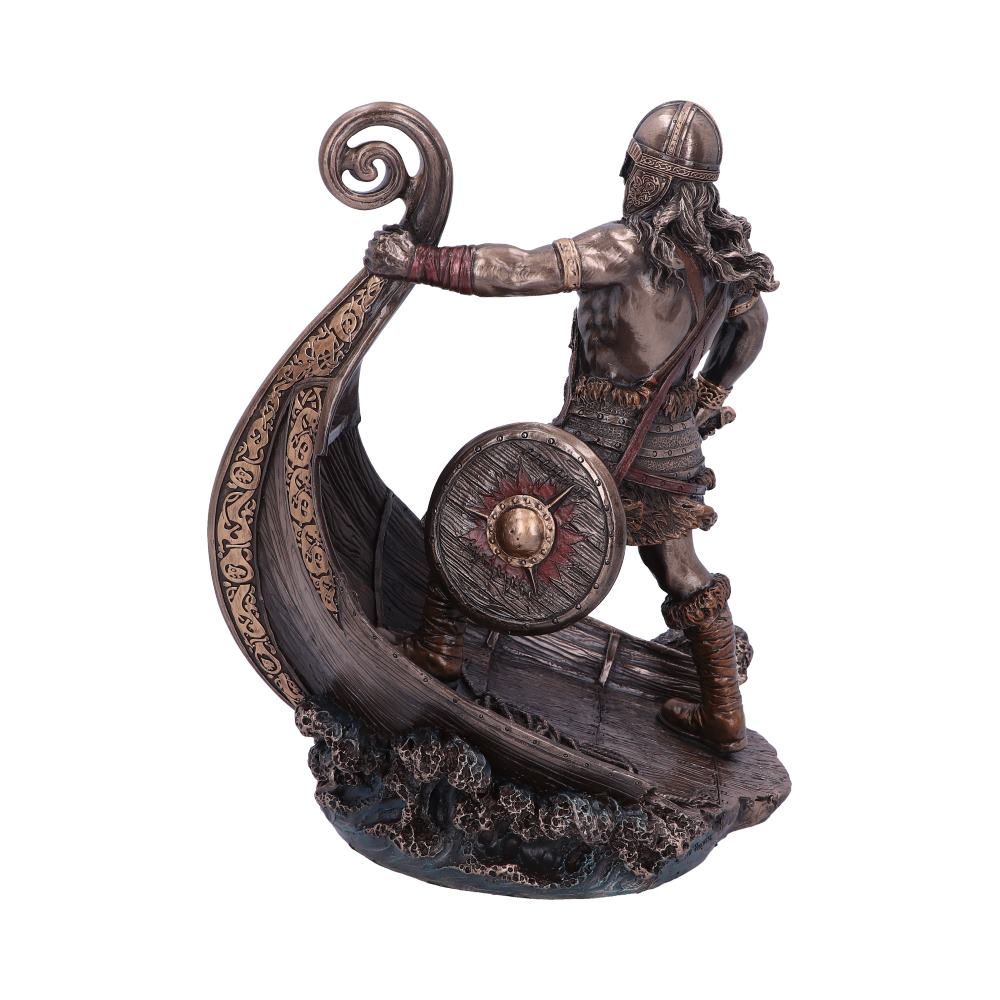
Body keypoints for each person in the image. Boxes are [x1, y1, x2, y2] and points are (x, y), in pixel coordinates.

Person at [364, 101, 777, 754]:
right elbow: (750, 325)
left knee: (477, 500)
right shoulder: (723, 261)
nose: (625, 175)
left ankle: (440, 643)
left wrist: (418, 263)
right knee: (680, 569)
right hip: (671, 447)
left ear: (653, 177)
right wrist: (710, 392)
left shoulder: (626, 247)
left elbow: (520, 270)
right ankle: (723, 710)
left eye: (635, 165)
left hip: (596, 444)